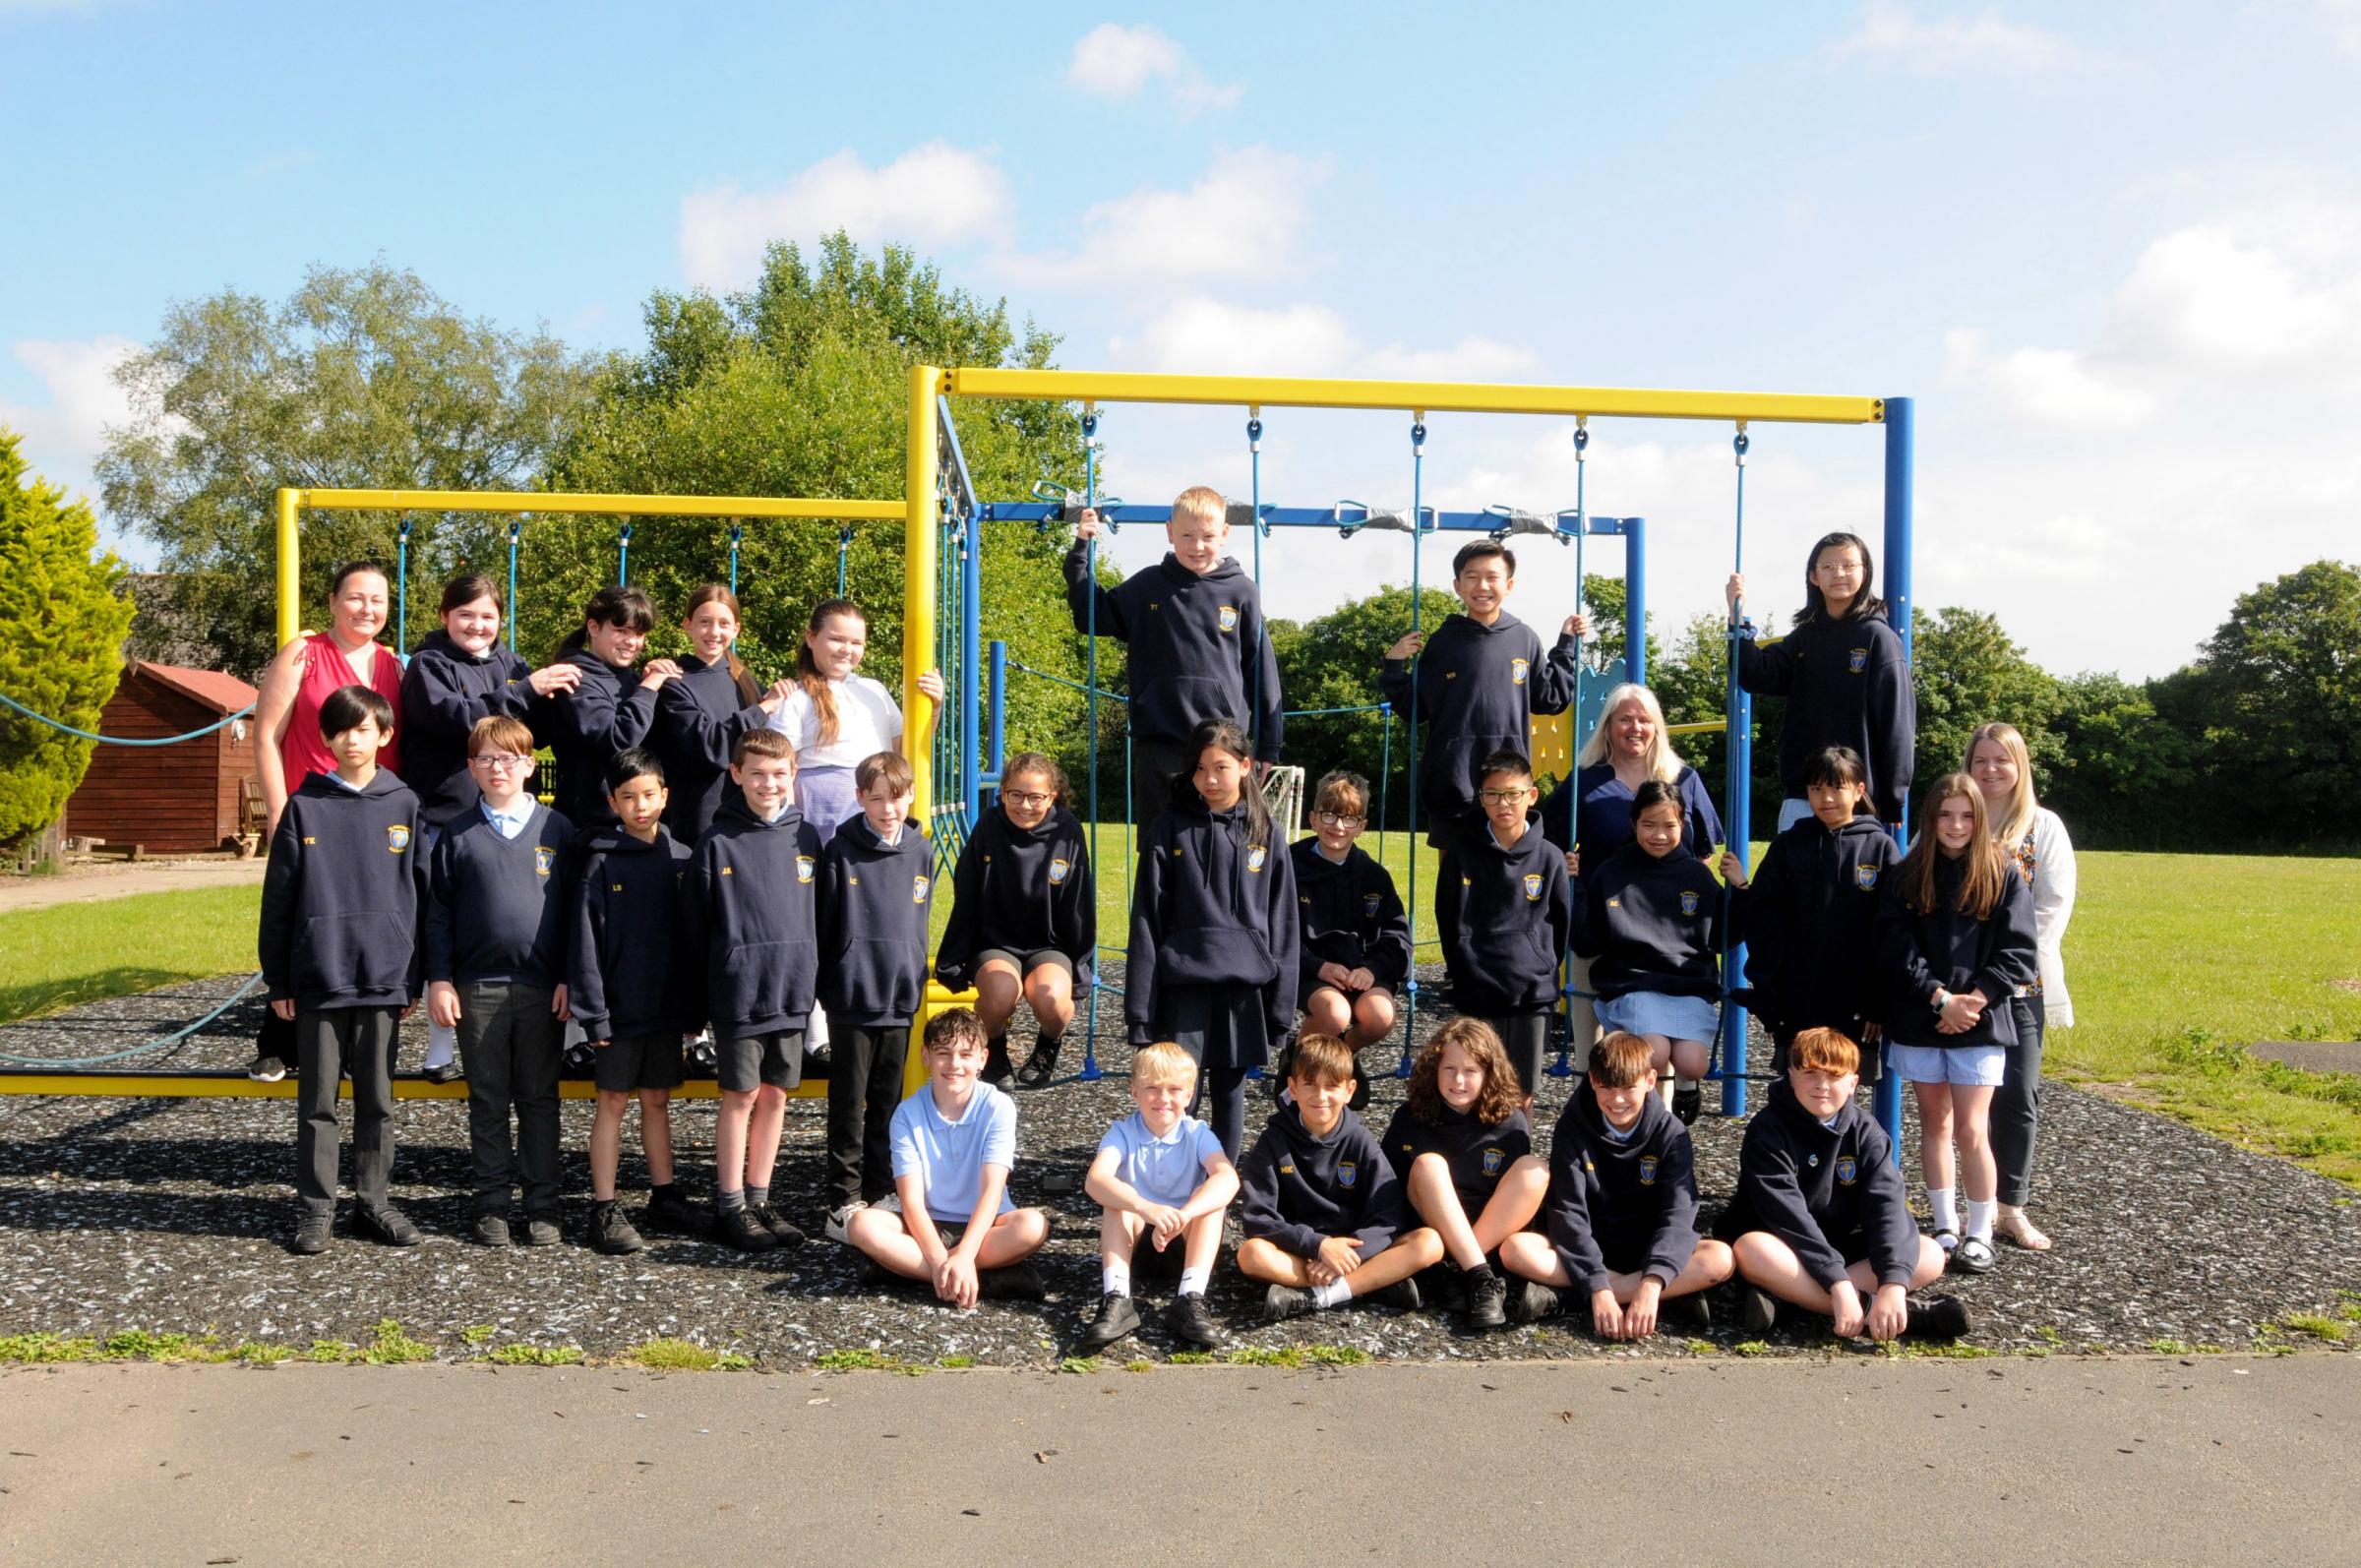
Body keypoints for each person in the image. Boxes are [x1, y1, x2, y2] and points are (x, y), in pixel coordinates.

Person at [256, 685, 426, 1255]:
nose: (353, 739)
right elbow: (278, 899)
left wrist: (415, 974)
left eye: (364, 729)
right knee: (319, 1103)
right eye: (341, 730)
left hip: (384, 974)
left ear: (385, 735)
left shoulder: (406, 804)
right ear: (326, 738)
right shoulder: (305, 806)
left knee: (378, 1099)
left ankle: (373, 1202)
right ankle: (316, 1206)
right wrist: (279, 980)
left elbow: (422, 897)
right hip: (319, 975)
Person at [401, 574, 581, 1082]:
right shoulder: (427, 665)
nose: (477, 625)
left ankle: (562, 1034)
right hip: (446, 815)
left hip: (507, 814)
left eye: (487, 616)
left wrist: (563, 691)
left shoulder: (508, 662)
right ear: (444, 617)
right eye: (466, 615)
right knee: (443, 923)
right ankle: (439, 1046)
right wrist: (524, 691)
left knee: (526, 918)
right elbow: (455, 719)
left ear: (500, 620)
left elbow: (532, 728)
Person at [247, 560, 407, 1083]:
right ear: (334, 601)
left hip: (370, 813)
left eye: (378, 600)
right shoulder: (304, 653)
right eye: (357, 597)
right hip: (312, 806)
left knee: (359, 921)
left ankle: (350, 1037)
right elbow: (267, 734)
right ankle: (276, 1036)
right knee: (300, 917)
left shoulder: (392, 666)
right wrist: (279, 809)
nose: (368, 609)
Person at [767, 596, 943, 1068]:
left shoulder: (873, 691)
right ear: (811, 639)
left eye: (856, 642)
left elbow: (904, 752)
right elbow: (781, 766)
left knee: (862, 919)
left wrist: (935, 707)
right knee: (819, 918)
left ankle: (863, 1011)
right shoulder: (797, 698)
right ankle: (815, 1029)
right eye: (836, 639)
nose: (847, 649)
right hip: (820, 812)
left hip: (870, 808)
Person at [422, 715, 574, 1246]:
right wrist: (439, 980)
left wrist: (569, 977)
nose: (497, 768)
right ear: (471, 767)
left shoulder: (558, 830)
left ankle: (543, 1205)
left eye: (509, 758)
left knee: (538, 1098)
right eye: (486, 758)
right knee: (487, 1098)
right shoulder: (456, 835)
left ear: (530, 765)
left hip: (541, 987)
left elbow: (576, 913)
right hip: (477, 988)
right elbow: (437, 913)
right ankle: (490, 1204)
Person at [1878, 773, 2037, 1275]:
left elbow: (2020, 953)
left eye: (1966, 815)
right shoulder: (1907, 875)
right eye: (1945, 815)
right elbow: (1894, 948)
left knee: (1972, 1129)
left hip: (1981, 1021)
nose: (1955, 825)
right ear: (1931, 818)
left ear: (1979, 818)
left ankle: (1980, 1230)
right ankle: (1945, 1224)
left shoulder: (2002, 872)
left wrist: (1973, 1000)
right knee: (1935, 1124)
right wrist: (1939, 998)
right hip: (1922, 1017)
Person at [1723, 1026, 1968, 1343]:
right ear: (1790, 1075)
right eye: (1810, 1073)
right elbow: (1787, 1217)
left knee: (1929, 1252)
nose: (1822, 1086)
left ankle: (1793, 1301)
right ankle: (1878, 1310)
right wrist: (1838, 1282)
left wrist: (1893, 1283)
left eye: (1834, 1077)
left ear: (1853, 1083)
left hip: (1841, 1243)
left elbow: (1887, 1206)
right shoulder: (1767, 1130)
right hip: (1784, 1243)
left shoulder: (1867, 1132)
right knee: (1750, 1249)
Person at [1126, 717, 1300, 1162]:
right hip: (1184, 983)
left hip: (1243, 985)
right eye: (1200, 769)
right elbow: (1146, 918)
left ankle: (1220, 1186)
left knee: (1230, 1089)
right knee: (1178, 1091)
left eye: (1220, 767)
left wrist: (1281, 1009)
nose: (1209, 779)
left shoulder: (1265, 831)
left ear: (1245, 766)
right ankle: (1173, 1178)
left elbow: (1283, 923)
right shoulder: (1169, 828)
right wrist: (1140, 1011)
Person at [1065, 487, 1283, 830]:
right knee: (1159, 848)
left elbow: (1261, 670)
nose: (1197, 546)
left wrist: (1268, 745)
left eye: (1208, 536)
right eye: (1187, 536)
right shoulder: (1148, 585)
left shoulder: (1242, 591)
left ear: (1224, 534)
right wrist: (1082, 550)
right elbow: (1091, 616)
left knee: (1223, 841)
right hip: (1160, 742)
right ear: (1170, 532)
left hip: (1221, 743)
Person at [678, 729, 819, 1252]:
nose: (768, 782)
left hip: (792, 987)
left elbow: (819, 917)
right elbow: (695, 928)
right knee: (740, 1096)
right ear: (736, 775)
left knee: (777, 1094)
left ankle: (760, 1198)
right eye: (756, 773)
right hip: (739, 990)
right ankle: (730, 1203)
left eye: (779, 773)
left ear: (792, 776)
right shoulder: (717, 842)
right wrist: (696, 1004)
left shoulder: (807, 838)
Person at [1498, 1031, 1734, 1337]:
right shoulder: (1572, 1126)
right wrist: (1598, 1286)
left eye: (1627, 1088)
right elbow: (1568, 1213)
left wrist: (1652, 1282)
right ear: (1593, 1081)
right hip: (1590, 1247)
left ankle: (1573, 1297)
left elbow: (1678, 1214)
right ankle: (1662, 1296)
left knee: (1721, 1259)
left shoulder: (1671, 1133)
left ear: (1650, 1081)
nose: (1617, 1099)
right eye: (1605, 1087)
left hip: (1647, 1249)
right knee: (1516, 1249)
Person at [1538, 682, 1724, 1056]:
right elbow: (1546, 838)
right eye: (1624, 719)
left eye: (1644, 719)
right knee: (1592, 1044)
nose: (1635, 727)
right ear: (1608, 727)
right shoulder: (1586, 781)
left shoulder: (1683, 781)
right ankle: (1588, 1107)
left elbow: (1701, 854)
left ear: (1657, 727)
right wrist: (1564, 861)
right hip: (1598, 923)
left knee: (1659, 1041)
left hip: (1665, 934)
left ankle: (1662, 1111)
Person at [567, 749, 703, 1254]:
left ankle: (663, 1194)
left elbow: (693, 944)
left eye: (649, 795)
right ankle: (603, 1206)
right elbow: (584, 942)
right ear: (613, 801)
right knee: (613, 1101)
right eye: (628, 797)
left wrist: (694, 1010)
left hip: (666, 1008)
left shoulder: (684, 859)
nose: (640, 806)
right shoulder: (600, 862)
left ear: (665, 796)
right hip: (618, 1011)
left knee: (657, 1100)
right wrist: (593, 1012)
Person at [1380, 538, 1585, 847]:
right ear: (1457, 585)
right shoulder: (1443, 642)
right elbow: (1415, 710)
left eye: (1492, 577)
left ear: (1510, 584)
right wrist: (1395, 665)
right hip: (1452, 780)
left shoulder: (1524, 638)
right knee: (1455, 881)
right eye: (1472, 577)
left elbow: (1551, 699)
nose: (1482, 586)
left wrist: (1566, 645)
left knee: (1508, 875)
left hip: (1509, 782)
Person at [845, 1008, 1050, 1302]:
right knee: (862, 1224)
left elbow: (992, 1191)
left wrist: (965, 1253)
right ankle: (979, 1280)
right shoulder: (907, 1113)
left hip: (987, 1224)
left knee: (1033, 1226)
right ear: (925, 1056)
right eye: (943, 1053)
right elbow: (911, 1201)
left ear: (982, 1059)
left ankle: (904, 1272)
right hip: (926, 1224)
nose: (954, 1064)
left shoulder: (998, 1107)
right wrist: (941, 1260)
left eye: (966, 1055)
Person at [1967, 720, 2078, 1252]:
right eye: (1981, 760)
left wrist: (2003, 971)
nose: (1990, 770)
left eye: (2001, 761)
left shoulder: (2042, 826)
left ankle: (2011, 1208)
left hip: (2018, 987)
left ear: (2020, 767)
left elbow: (2051, 907)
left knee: (2018, 1097)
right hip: (1958, 989)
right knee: (1964, 1102)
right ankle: (1973, 1210)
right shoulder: (1951, 817)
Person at [1238, 1033, 1441, 1321]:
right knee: (1251, 1254)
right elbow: (1257, 1219)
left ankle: (1316, 1296)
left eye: (1332, 1086)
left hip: (1352, 1252)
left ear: (1349, 1090)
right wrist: (1318, 1246)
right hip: (1301, 1252)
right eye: (1309, 1084)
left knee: (1429, 1242)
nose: (1320, 1096)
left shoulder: (1360, 1141)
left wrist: (1348, 1254)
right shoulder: (1273, 1141)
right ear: (1293, 1088)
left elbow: (1391, 1215)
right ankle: (1370, 1284)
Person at [816, 752, 934, 1246]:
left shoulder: (920, 850)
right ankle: (842, 1199)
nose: (888, 808)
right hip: (852, 994)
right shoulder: (840, 852)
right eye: (877, 798)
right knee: (848, 1100)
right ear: (860, 797)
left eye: (897, 797)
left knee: (888, 1100)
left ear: (909, 797)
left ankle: (882, 1189)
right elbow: (825, 923)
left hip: (898, 995)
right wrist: (832, 980)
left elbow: (918, 921)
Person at [1567, 779, 1732, 1125]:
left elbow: (1723, 937)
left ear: (1682, 826)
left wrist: (1741, 890)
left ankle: (1687, 1085)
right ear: (1634, 825)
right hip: (1633, 982)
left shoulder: (1695, 876)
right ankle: (1647, 1115)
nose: (1659, 835)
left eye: (1669, 826)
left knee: (1693, 1062)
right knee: (1653, 1054)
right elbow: (1587, 940)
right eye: (1649, 825)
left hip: (1686, 984)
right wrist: (1577, 887)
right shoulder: (1612, 871)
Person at [1729, 745, 1902, 1076]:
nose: (1826, 798)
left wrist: (1878, 1002)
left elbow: (1893, 930)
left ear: (1858, 790)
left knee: (1841, 1085)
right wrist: (1771, 1001)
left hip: (1857, 998)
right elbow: (1766, 921)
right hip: (1798, 997)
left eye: (1837, 787)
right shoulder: (1789, 845)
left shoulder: (1879, 847)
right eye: (1816, 789)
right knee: (1797, 1084)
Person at [1727, 530, 1914, 829]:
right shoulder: (1806, 637)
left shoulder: (1878, 638)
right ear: (1814, 576)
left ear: (1865, 573)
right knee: (1795, 876)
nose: (1838, 573)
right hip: (1804, 795)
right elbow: (1756, 675)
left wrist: (1894, 799)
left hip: (1857, 799)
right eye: (1828, 567)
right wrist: (1737, 620)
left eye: (1849, 565)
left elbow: (1896, 725)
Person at [934, 753, 1096, 1089]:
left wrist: (1080, 971)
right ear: (1003, 792)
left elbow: (1079, 905)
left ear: (1052, 796)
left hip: (1048, 943)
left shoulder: (1068, 832)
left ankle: (1048, 1044)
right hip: (996, 942)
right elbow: (967, 895)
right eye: (1015, 795)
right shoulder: (990, 827)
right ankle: (995, 1049)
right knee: (1001, 994)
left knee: (1053, 1001)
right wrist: (952, 959)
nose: (1025, 805)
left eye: (1035, 797)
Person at [1379, 1019, 1546, 1331]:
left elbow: (1514, 1197)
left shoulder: (1511, 1122)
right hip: (1431, 1228)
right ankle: (1482, 1279)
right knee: (1430, 1165)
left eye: (1471, 1071)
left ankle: (1463, 1271)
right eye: (1449, 1069)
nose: (1459, 1080)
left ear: (1489, 1074)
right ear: (1434, 1069)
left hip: (1486, 1231)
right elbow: (1386, 1188)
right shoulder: (1410, 1116)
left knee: (1535, 1170)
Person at [1074, 1043, 1240, 1353]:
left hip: (1184, 1240)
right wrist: (1145, 1207)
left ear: (1189, 1096)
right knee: (1117, 1200)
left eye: (1175, 1089)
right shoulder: (1121, 1133)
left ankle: (1190, 1298)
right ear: (1135, 1092)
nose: (1163, 1098)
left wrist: (1186, 1214)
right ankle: (1117, 1297)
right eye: (1152, 1088)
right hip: (1135, 1243)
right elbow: (1095, 1180)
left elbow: (1228, 1178)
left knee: (1210, 1201)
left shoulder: (1198, 1132)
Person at [1433, 749, 1570, 1099]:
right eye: (1492, 795)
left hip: (1531, 992)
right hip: (1477, 987)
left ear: (1532, 795)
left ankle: (1519, 1152)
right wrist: (1465, 966)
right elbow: (1448, 918)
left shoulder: (1551, 858)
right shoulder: (1461, 853)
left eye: (1512, 794)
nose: (1503, 804)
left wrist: (1539, 965)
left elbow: (1560, 926)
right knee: (1474, 1087)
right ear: (1481, 798)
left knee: (1521, 1092)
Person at [1289, 769, 1411, 1103]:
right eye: (1329, 815)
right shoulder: (1289, 867)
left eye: (1349, 818)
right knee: (1336, 1012)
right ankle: (1299, 1072)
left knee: (1381, 1016)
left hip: (1360, 971)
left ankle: (1341, 1059)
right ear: (1313, 818)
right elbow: (1275, 933)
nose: (1338, 826)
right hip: (1310, 971)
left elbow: (1398, 938)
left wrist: (1372, 969)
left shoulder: (1374, 875)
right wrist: (1317, 966)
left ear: (1362, 826)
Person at [652, 583, 788, 847]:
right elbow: (709, 746)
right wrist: (762, 710)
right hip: (696, 822)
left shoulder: (746, 682)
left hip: (746, 817)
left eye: (724, 624)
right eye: (705, 622)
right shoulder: (673, 682)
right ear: (687, 625)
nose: (714, 632)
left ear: (735, 629)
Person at [538, 584, 680, 834]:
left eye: (638, 634)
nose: (632, 642)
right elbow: (618, 738)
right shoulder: (574, 678)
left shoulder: (632, 680)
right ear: (593, 627)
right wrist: (648, 688)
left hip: (639, 821)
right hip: (591, 824)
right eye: (621, 630)